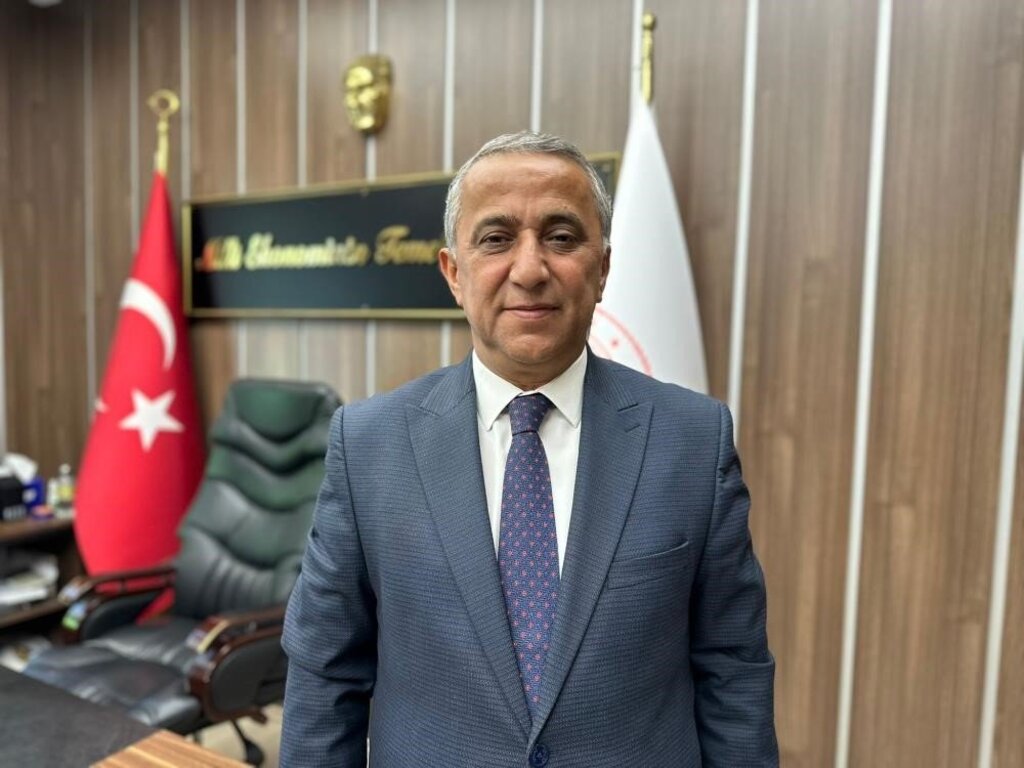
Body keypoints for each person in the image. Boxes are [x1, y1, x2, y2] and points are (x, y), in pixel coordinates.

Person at [280, 131, 778, 767]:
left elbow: (732, 668)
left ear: (602, 268)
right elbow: (325, 676)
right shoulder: (369, 445)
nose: (529, 269)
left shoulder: (692, 440)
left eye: (561, 237)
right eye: (495, 239)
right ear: (454, 273)